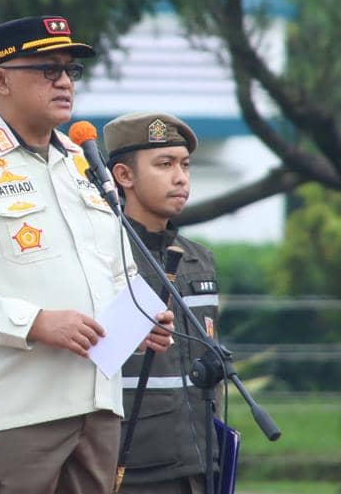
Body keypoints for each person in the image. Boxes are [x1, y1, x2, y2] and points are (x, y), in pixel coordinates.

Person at [0, 15, 174, 494]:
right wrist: (34, 322)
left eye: (70, 70)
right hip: (11, 415)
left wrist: (136, 321)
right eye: (48, 70)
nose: (65, 82)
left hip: (96, 410)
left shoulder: (83, 165)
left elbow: (119, 271)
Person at [103, 112, 220, 494]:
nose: (181, 177)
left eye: (185, 165)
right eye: (164, 164)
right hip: (133, 465)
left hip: (201, 460)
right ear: (124, 176)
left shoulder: (197, 258)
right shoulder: (103, 255)